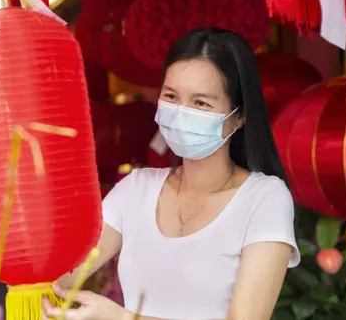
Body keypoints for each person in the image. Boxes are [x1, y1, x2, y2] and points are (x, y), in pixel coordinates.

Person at [43, 27, 300, 320]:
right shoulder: (136, 189)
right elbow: (64, 276)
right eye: (171, 96)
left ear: (239, 117)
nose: (181, 112)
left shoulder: (263, 198)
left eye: (201, 103)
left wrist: (125, 319)